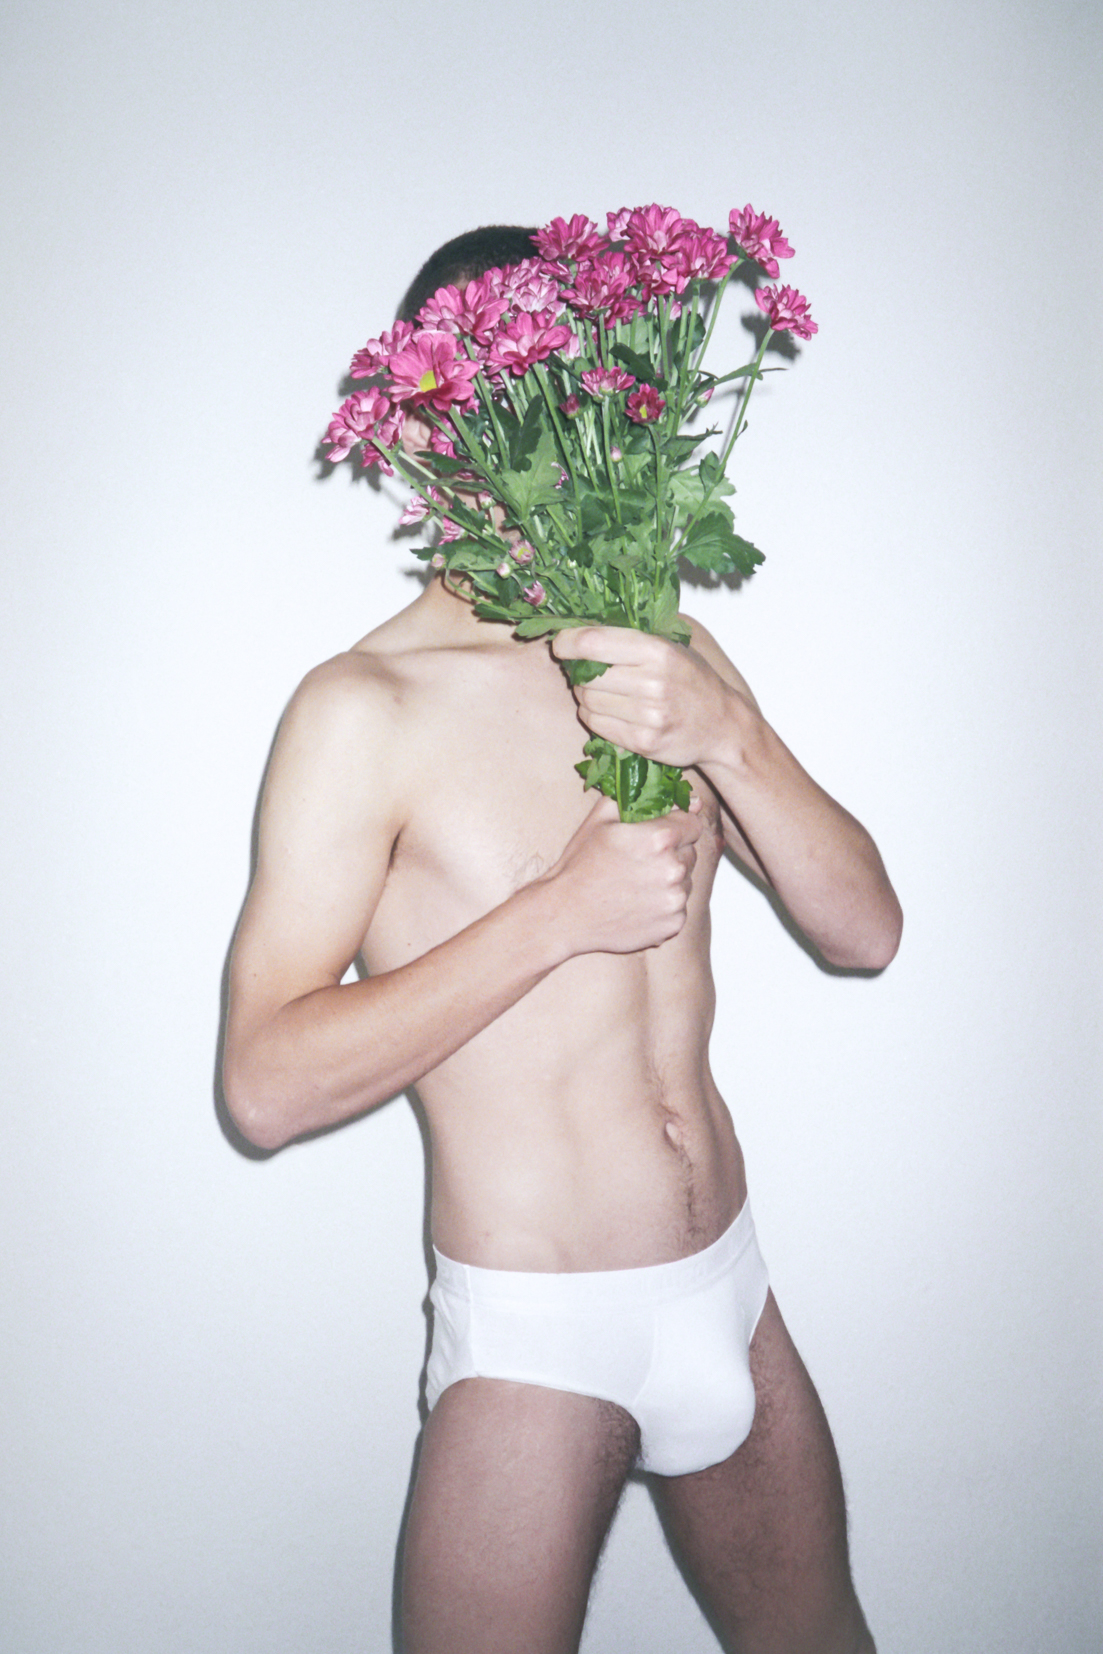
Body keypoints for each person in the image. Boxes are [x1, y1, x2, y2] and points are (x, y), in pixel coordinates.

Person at [223, 227, 903, 1654]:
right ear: (420, 425)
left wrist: (736, 733)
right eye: (487, 396)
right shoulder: (364, 710)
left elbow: (866, 929)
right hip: (541, 1332)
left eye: (567, 385)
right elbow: (265, 1084)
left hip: (733, 1282)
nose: (542, 427)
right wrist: (555, 915)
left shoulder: (667, 650)